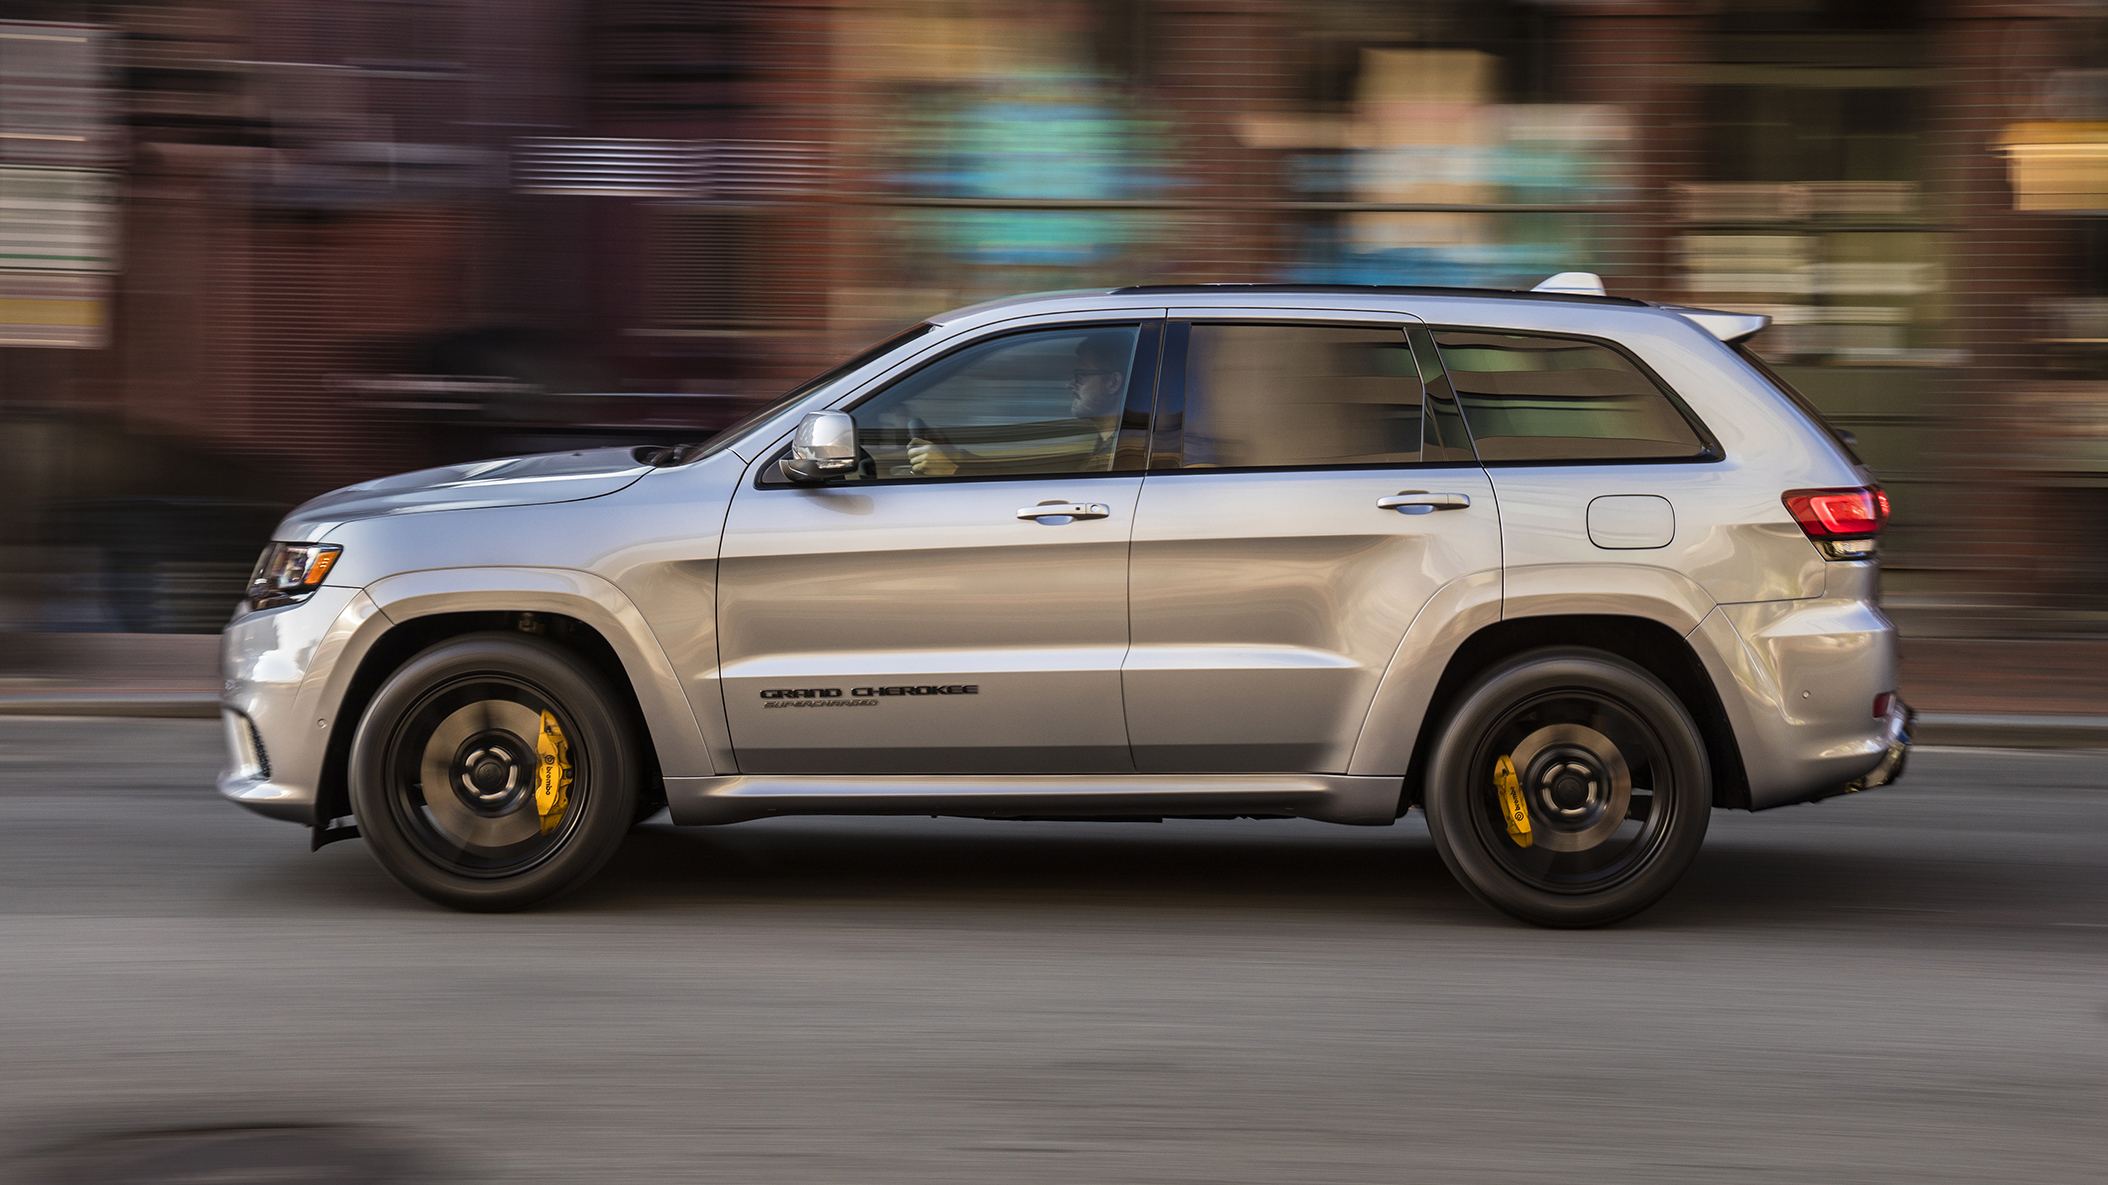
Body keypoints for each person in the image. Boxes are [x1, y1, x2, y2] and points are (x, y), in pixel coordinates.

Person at [906, 331, 1129, 477]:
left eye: (1081, 375)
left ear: (1113, 382)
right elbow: (1031, 479)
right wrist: (959, 458)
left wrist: (950, 471)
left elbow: (1052, 503)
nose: (1070, 384)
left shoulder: (1124, 456)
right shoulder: (1107, 445)